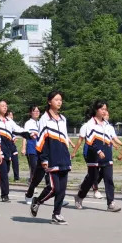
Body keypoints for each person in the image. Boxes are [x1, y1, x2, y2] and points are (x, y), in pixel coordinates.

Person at [29, 90, 72, 224]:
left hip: (63, 156)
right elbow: (41, 140)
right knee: (54, 187)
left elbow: (64, 138)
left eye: (60, 100)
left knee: (62, 189)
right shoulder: (44, 119)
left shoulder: (63, 119)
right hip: (51, 157)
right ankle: (37, 201)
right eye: (56, 99)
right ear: (49, 102)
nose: (59, 102)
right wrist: (44, 159)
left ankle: (56, 214)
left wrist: (68, 153)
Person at [73, 100, 122, 212]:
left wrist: (120, 144)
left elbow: (112, 138)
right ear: (96, 110)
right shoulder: (90, 124)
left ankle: (111, 203)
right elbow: (90, 141)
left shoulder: (108, 124)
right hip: (94, 155)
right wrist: (99, 151)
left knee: (109, 178)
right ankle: (79, 196)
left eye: (106, 109)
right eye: (102, 109)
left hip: (107, 155)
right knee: (92, 179)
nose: (104, 111)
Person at [0, 99, 28, 203]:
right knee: (3, 173)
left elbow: (17, 129)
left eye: (6, 105)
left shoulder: (9, 120)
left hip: (8, 148)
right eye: (2, 105)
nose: (5, 107)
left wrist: (28, 134)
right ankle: (5, 195)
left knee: (5, 171)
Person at [22, 105, 45, 203]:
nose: (36, 113)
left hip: (40, 148)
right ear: (30, 113)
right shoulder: (28, 123)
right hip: (31, 148)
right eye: (34, 111)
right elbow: (25, 136)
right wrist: (23, 147)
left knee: (40, 169)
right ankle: (30, 188)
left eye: (38, 111)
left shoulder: (40, 123)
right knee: (34, 168)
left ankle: (32, 184)